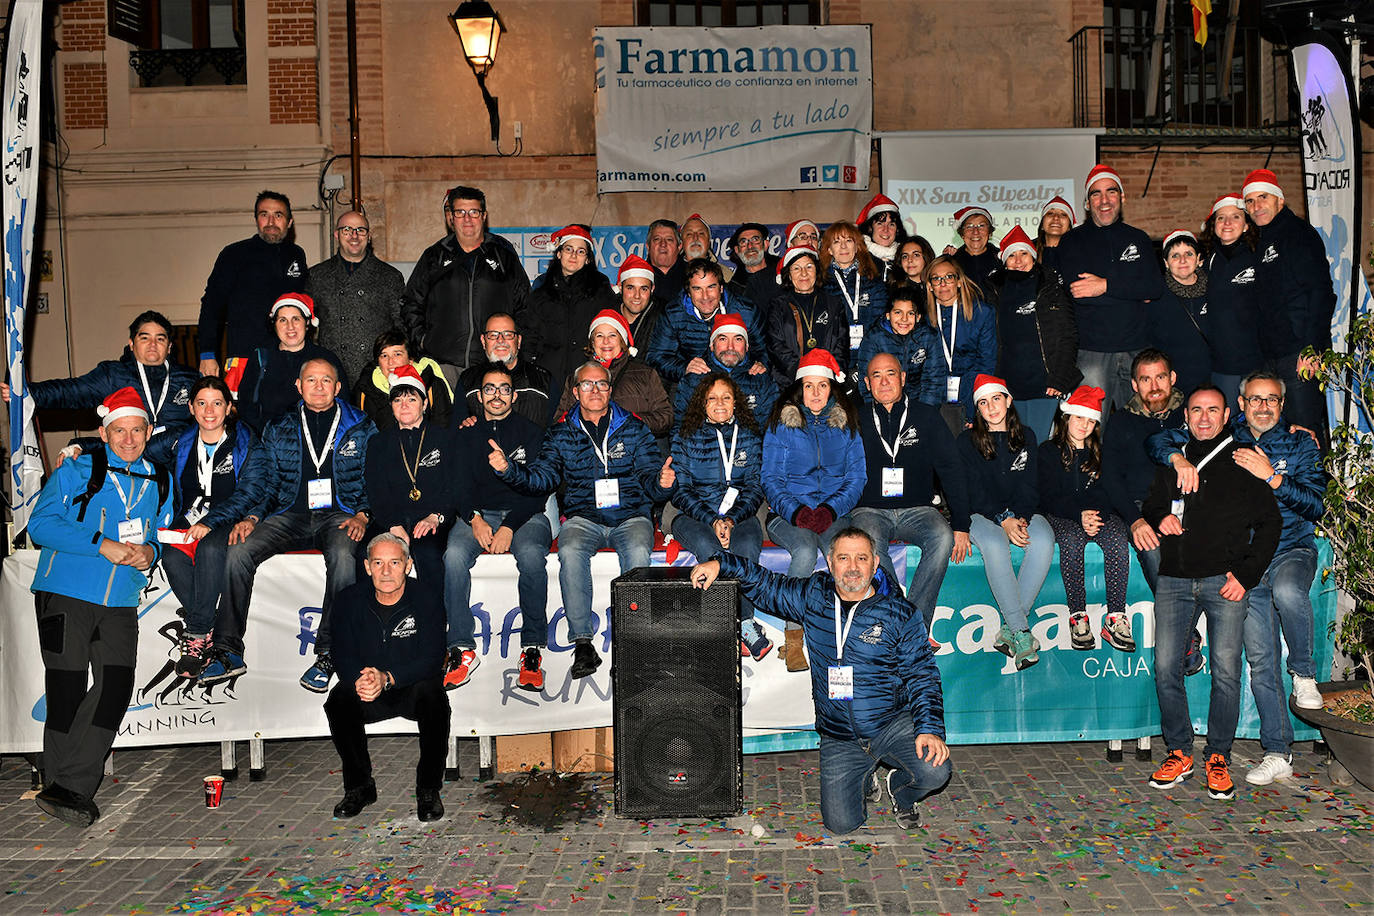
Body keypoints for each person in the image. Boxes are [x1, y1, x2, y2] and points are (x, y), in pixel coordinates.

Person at [688, 527, 951, 834]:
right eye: (843, 558)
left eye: (861, 558)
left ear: (875, 563)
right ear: (830, 561)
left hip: (890, 725)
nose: (852, 567)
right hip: (840, 736)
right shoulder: (814, 596)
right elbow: (766, 584)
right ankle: (864, 774)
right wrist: (720, 563)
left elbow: (923, 676)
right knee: (841, 825)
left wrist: (930, 729)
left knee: (935, 770)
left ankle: (902, 792)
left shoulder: (899, 613)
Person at [1146, 370, 1326, 785]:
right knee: (1258, 660)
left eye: (1273, 400)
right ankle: (1277, 751)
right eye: (1255, 399)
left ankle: (1303, 672)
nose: (1263, 407)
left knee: (1282, 597)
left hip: (1283, 553)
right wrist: (1175, 463)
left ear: (1283, 405)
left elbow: (1315, 507)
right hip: (1231, 566)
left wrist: (1272, 476)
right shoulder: (1219, 439)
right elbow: (1157, 444)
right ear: (1241, 406)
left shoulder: (1299, 443)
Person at [27, 388, 173, 827]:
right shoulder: (78, 468)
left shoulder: (159, 478)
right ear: (103, 431)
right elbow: (41, 524)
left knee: (114, 690)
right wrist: (100, 544)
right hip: (66, 592)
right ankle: (65, 787)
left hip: (122, 599)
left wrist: (151, 552)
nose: (128, 439)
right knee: (67, 691)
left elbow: (161, 533)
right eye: (118, 430)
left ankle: (64, 787)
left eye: (136, 430)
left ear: (148, 431)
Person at [489, 360, 674, 679]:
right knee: (570, 550)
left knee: (639, 553)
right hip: (583, 516)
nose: (595, 390)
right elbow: (542, 480)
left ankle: (632, 646)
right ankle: (583, 644)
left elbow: (648, 478)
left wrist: (661, 483)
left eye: (601, 384)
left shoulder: (633, 427)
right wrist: (510, 470)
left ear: (610, 389)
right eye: (587, 385)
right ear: (575, 392)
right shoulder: (560, 433)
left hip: (630, 515)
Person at [1140, 385, 1280, 800]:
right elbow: (1149, 505)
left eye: (1212, 410)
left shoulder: (1243, 462)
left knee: (1226, 673)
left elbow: (1271, 525)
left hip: (1225, 583)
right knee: (1166, 669)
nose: (1204, 418)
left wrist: (1246, 575)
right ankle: (1180, 751)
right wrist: (1161, 516)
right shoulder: (1172, 461)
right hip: (1175, 580)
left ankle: (1218, 755)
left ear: (1225, 417)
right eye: (1196, 410)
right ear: (1186, 416)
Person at [220, 358, 375, 691]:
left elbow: (373, 478)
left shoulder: (360, 424)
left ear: (337, 386)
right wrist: (252, 517)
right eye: (311, 380)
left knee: (345, 557)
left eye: (326, 381)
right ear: (298, 385)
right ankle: (227, 649)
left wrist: (363, 513)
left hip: (340, 514)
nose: (318, 387)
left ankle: (330, 652)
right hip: (290, 513)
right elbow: (268, 483)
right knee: (238, 551)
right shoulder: (279, 426)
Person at [325, 533, 448, 822]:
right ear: (367, 566)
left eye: (394, 562)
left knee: (435, 698)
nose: (386, 571)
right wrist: (363, 679)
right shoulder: (347, 600)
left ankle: (428, 789)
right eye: (378, 562)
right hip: (368, 686)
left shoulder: (427, 598)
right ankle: (359, 787)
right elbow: (341, 654)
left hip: (409, 685)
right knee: (339, 700)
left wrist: (389, 678)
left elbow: (433, 658)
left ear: (408, 565)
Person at [446, 362, 552, 692]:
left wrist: (508, 526)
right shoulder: (465, 435)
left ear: (514, 396)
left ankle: (531, 649)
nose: (497, 396)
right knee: (452, 556)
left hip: (524, 515)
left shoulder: (533, 433)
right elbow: (457, 487)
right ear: (479, 396)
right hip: (479, 515)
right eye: (489, 389)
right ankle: (461, 649)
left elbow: (538, 489)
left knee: (533, 556)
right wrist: (474, 519)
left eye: (504, 389)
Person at [849, 353, 969, 632]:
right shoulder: (856, 419)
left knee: (942, 537)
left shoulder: (927, 416)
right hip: (871, 509)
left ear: (903, 378)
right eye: (876, 376)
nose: (884, 381)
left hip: (919, 509)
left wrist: (962, 523)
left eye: (890, 373)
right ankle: (903, 618)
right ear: (867, 384)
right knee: (869, 545)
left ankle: (914, 624)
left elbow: (952, 469)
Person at [763, 350, 866, 670]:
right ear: (800, 388)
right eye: (810, 386)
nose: (816, 393)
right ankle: (793, 640)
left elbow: (857, 477)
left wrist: (831, 509)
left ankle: (852, 637)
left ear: (832, 388)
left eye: (823, 385)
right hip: (788, 513)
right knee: (805, 551)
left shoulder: (846, 424)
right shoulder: (783, 423)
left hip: (831, 512)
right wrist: (795, 512)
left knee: (847, 553)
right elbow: (771, 479)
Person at [162, 376, 269, 679]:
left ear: (229, 407)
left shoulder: (247, 442)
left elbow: (250, 492)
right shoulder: (180, 439)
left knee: (209, 549)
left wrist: (210, 522)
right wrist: (83, 446)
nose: (209, 410)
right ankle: (209, 623)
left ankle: (196, 635)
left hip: (233, 518)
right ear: (192, 409)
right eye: (202, 403)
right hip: (192, 518)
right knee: (170, 555)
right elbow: (133, 441)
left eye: (217, 403)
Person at [4, 310, 196, 468]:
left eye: (160, 339)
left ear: (169, 347)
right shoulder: (113, 375)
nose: (153, 344)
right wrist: (27, 394)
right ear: (131, 343)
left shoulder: (188, 379)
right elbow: (70, 391)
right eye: (144, 338)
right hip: (128, 466)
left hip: (177, 469)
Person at [669, 372, 772, 659]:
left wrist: (731, 519)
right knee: (708, 549)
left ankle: (744, 624)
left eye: (726, 397)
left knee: (748, 547)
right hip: (692, 514)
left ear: (736, 402)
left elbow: (754, 486)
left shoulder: (750, 437)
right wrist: (711, 519)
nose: (720, 403)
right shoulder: (684, 436)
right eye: (712, 398)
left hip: (740, 514)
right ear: (702, 403)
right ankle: (732, 624)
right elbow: (680, 490)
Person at [956, 375, 1053, 671]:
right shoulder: (966, 441)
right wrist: (1004, 519)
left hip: (1018, 512)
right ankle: (1022, 633)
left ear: (1008, 401)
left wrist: (1020, 517)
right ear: (978, 409)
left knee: (1044, 541)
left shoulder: (1028, 436)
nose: (991, 407)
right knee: (997, 545)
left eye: (996, 399)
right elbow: (973, 492)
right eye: (983, 403)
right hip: (981, 514)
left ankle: (1010, 629)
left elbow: (1031, 485)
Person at [1053, 164, 1165, 415]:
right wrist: (1134, 294)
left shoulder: (1139, 239)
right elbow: (1079, 294)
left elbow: (1154, 288)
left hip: (1138, 351)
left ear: (1121, 198)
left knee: (1141, 427)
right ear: (1087, 202)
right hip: (1092, 352)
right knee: (1089, 429)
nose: (1104, 200)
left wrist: (1104, 285)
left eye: (1111, 192)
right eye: (1096, 194)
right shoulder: (1071, 241)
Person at [1038, 386, 1135, 652]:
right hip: (1062, 514)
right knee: (1071, 539)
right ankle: (1078, 615)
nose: (1085, 425)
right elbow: (1046, 495)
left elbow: (1112, 490)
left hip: (1097, 514)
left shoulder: (1102, 453)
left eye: (1091, 420)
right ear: (1066, 418)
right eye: (1079, 418)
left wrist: (1095, 515)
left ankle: (1116, 616)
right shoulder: (1048, 452)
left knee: (1116, 535)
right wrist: (1077, 515)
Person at [1243, 168, 1335, 446]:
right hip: (1273, 356)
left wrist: (1312, 349)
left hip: (1298, 355)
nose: (1256, 206)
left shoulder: (1298, 234)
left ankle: (1318, 489)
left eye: (1263, 197)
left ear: (1280, 200)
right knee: (1282, 435)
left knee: (1307, 434)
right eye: (1250, 201)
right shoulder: (1263, 239)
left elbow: (1321, 293)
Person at [399, 185, 530, 378]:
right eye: (460, 212)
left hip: (492, 366)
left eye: (473, 212)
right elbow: (411, 303)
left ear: (484, 216)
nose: (467, 218)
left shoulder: (503, 256)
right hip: (444, 368)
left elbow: (525, 306)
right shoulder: (434, 256)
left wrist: (513, 346)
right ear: (451, 217)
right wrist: (424, 341)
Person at [360, 365, 458, 620]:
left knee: (427, 553)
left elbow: (455, 486)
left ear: (424, 404)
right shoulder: (378, 443)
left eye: (411, 398)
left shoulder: (445, 439)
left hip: (431, 518)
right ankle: (372, 623)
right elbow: (375, 489)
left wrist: (436, 516)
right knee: (365, 554)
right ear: (391, 405)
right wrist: (393, 524)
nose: (404, 404)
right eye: (398, 399)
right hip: (389, 519)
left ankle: (433, 623)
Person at [197, 191, 309, 378]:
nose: (271, 222)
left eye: (278, 215)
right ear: (256, 219)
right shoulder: (234, 254)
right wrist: (207, 353)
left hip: (289, 356)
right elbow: (211, 305)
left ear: (289, 222)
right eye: (264, 214)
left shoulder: (297, 254)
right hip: (244, 357)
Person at [1100, 349, 1186, 596]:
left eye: (1160, 377)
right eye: (1146, 380)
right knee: (1151, 546)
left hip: (1188, 504)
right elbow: (1111, 478)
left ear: (1172, 378)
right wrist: (1135, 520)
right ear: (1135, 385)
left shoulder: (1191, 414)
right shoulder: (1121, 422)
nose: (1154, 386)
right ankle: (1185, 632)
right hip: (1140, 507)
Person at [984, 225, 1080, 438]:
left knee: (1038, 444)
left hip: (1045, 385)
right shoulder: (992, 291)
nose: (1018, 260)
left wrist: (1060, 377)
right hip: (1007, 386)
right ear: (1004, 261)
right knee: (1015, 448)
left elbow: (1068, 335)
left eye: (1024, 253)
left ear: (1034, 256)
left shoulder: (1051, 287)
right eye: (1012, 256)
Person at [309, 210, 405, 388]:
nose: (354, 235)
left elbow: (401, 326)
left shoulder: (389, 276)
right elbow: (307, 327)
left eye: (361, 230)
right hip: (332, 373)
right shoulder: (317, 275)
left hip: (377, 374)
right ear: (337, 235)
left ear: (369, 236)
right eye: (347, 229)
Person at [233, 293, 348, 435]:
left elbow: (343, 405)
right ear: (274, 324)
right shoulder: (261, 358)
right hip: (267, 441)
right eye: (282, 320)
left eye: (296, 319)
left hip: (316, 440)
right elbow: (246, 406)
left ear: (307, 323)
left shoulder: (326, 359)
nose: (290, 326)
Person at [525, 224, 616, 397]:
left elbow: (610, 334)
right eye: (569, 249)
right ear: (559, 254)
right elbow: (530, 337)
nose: (574, 255)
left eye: (581, 251)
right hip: (547, 379)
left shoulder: (601, 291)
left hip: (588, 379)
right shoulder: (541, 292)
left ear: (588, 258)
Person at [645, 258, 766, 384]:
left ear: (721, 288)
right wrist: (685, 368)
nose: (705, 296)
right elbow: (657, 357)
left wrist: (759, 365)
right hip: (693, 381)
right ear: (689, 292)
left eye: (711, 287)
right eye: (697, 289)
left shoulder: (747, 311)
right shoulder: (674, 314)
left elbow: (764, 351)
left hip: (739, 378)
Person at [555, 310, 672, 436]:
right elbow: (559, 424)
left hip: (636, 451)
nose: (606, 341)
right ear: (592, 343)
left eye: (612, 335)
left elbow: (666, 417)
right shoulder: (576, 378)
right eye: (599, 336)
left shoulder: (645, 374)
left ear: (622, 341)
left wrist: (629, 421)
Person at [926, 255, 997, 427]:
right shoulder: (923, 318)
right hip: (935, 401)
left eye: (949, 277)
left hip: (970, 397)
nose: (943, 284)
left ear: (959, 281)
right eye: (936, 279)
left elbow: (986, 364)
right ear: (930, 286)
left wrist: (974, 411)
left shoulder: (982, 313)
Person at [673, 312, 779, 425]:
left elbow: (772, 429)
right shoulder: (693, 379)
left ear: (747, 346)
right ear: (712, 345)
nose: (730, 347)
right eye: (723, 339)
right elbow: (679, 428)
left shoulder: (761, 380)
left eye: (738, 339)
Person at [765, 244, 847, 389]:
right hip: (789, 383)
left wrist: (828, 374)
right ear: (789, 275)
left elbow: (841, 344)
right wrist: (802, 372)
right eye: (796, 268)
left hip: (827, 381)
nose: (804, 273)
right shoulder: (778, 306)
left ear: (817, 270)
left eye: (809, 266)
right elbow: (776, 346)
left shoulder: (834, 303)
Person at [453, 313, 552, 428]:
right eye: (493, 335)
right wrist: (464, 426)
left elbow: (555, 433)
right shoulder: (468, 380)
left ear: (518, 341)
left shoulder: (543, 381)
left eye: (508, 334)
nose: (500, 340)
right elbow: (456, 429)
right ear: (483, 341)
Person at [855, 285, 947, 408]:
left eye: (910, 313)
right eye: (898, 312)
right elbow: (866, 380)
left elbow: (934, 382)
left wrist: (923, 414)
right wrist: (881, 413)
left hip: (919, 405)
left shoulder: (928, 337)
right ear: (888, 315)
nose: (904, 319)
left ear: (918, 317)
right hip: (885, 405)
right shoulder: (874, 338)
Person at [1149, 231, 1212, 398]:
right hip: (1173, 384)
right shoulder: (1155, 294)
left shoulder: (1215, 289)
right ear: (1166, 263)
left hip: (1213, 379)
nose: (1182, 260)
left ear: (1199, 259)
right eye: (1175, 255)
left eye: (1189, 254)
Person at [819, 221, 888, 367]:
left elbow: (881, 323)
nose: (843, 246)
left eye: (848, 240)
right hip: (834, 360)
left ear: (857, 246)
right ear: (829, 249)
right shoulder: (821, 284)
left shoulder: (873, 280)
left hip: (871, 357)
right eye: (837, 241)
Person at [355, 329, 456, 428]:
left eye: (397, 354)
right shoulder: (366, 389)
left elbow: (443, 424)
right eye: (384, 356)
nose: (390, 362)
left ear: (410, 360)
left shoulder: (431, 383)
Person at [725, 222, 779, 310]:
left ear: (765, 245)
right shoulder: (734, 288)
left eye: (755, 239)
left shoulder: (785, 273)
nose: (750, 246)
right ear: (737, 250)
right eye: (743, 242)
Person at [613, 254, 664, 348]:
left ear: (652, 289)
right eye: (630, 288)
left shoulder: (663, 318)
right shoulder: (609, 314)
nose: (637, 296)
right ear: (620, 287)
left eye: (644, 289)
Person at [947, 206, 1000, 295]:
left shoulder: (1002, 260)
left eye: (981, 226)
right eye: (969, 226)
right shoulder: (951, 263)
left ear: (990, 233)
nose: (975, 231)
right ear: (961, 234)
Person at [857, 194, 906, 284]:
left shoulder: (905, 259)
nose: (886, 229)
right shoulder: (858, 256)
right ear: (870, 228)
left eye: (891, 224)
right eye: (880, 223)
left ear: (897, 229)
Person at [645, 218, 686, 308]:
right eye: (657, 239)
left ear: (679, 246)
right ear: (648, 246)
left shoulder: (692, 275)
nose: (663, 244)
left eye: (669, 239)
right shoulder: (636, 276)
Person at [1035, 195, 1075, 273]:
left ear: (1069, 227)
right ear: (1042, 225)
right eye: (1050, 213)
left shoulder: (1080, 254)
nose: (1056, 217)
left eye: (1063, 214)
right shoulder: (1028, 253)